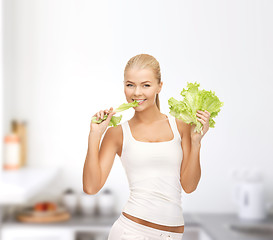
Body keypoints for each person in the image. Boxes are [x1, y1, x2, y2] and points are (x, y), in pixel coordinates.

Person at [83, 54, 211, 240]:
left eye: (146, 85)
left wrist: (196, 142)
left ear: (160, 86)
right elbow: (91, 187)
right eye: (130, 85)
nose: (137, 93)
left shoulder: (181, 127)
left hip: (173, 235)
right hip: (130, 232)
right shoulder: (117, 133)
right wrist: (95, 135)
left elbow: (189, 186)